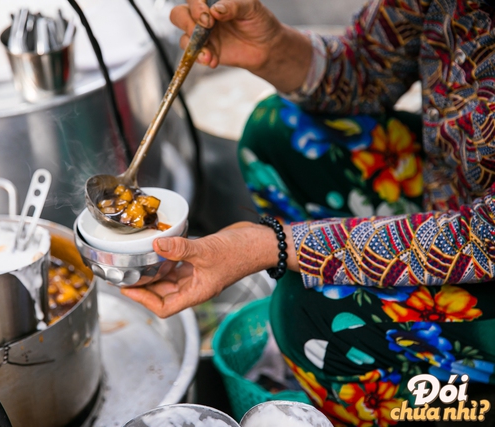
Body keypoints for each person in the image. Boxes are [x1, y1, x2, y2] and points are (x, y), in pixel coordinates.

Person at [121, 0, 495, 425]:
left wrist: (276, 245)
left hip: (482, 242)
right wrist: (273, 49)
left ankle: (452, 401)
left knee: (306, 312)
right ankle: (400, 358)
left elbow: (483, 238)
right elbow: (369, 69)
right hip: (449, 191)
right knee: (279, 134)